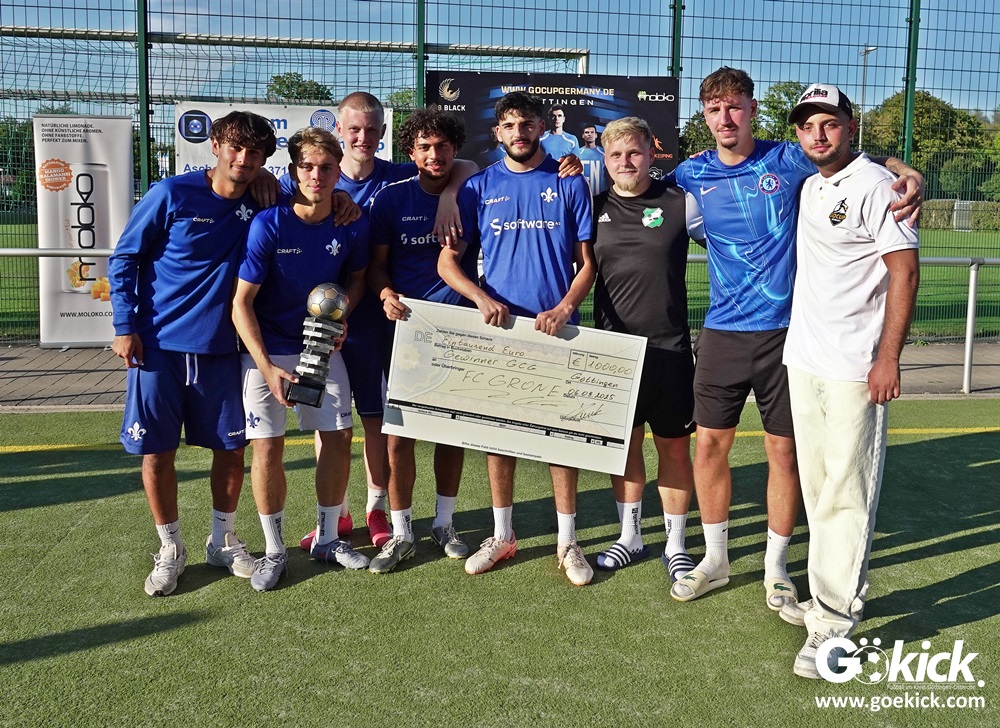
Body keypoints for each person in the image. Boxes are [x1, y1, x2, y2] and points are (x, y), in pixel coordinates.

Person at [668, 67, 923, 609]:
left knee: (785, 452)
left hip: (787, 335)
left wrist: (906, 170)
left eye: (735, 106)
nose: (725, 118)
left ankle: (776, 567)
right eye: (714, 109)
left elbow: (854, 163)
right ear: (705, 116)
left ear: (752, 109)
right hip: (722, 331)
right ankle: (715, 559)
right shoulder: (692, 172)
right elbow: (631, 182)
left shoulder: (787, 158)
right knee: (709, 445)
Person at [281, 92, 478, 552]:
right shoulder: (312, 180)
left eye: (371, 129)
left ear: (384, 133)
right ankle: (336, 513)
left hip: (379, 321)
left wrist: (450, 194)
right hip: (321, 323)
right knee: (327, 421)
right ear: (339, 132)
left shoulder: (397, 176)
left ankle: (377, 509)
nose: (363, 137)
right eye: (354, 129)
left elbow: (464, 164)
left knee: (378, 420)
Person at [777, 84, 919, 678]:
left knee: (848, 492)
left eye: (829, 123)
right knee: (818, 489)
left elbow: (904, 272)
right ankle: (824, 597)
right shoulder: (811, 182)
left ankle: (834, 622)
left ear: (849, 126)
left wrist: (888, 358)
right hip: (805, 358)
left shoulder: (878, 188)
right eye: (807, 124)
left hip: (856, 367)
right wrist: (902, 163)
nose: (818, 134)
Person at [108, 111, 277, 596]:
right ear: (215, 146)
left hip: (222, 349)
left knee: (231, 450)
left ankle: (222, 540)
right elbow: (124, 258)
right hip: (157, 346)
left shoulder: (265, 198)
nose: (243, 159)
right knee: (157, 452)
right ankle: (170, 548)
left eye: (254, 153)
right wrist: (124, 326)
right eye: (235, 148)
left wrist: (342, 200)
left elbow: (315, 197)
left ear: (265, 159)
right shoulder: (171, 193)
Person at [438, 91, 597, 586]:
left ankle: (567, 540)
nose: (519, 133)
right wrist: (479, 298)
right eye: (509, 125)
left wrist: (565, 307)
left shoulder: (569, 181)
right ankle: (502, 534)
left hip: (557, 329)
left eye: (527, 124)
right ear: (498, 133)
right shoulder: (478, 187)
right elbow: (447, 263)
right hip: (501, 332)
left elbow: (587, 263)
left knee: (561, 438)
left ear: (541, 128)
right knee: (498, 436)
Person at [233, 127, 371, 591]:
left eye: (326, 167)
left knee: (338, 436)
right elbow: (241, 303)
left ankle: (328, 539)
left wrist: (342, 315)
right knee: (267, 446)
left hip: (320, 346)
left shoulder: (352, 222)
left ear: (338, 171)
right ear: (293, 171)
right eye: (307, 167)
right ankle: (274, 550)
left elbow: (358, 278)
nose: (316, 176)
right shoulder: (269, 223)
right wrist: (266, 366)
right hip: (268, 351)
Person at [366, 109, 479, 573]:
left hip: (459, 330)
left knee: (451, 432)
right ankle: (402, 531)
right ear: (410, 153)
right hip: (406, 333)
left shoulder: (473, 191)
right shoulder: (391, 198)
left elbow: (480, 169)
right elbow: (376, 266)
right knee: (400, 437)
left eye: (443, 146)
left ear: (455, 149)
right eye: (425, 147)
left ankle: (444, 523)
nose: (435, 155)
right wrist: (384, 293)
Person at [590, 117, 698, 579]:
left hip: (670, 352)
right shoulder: (592, 207)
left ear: (651, 153)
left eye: (634, 152)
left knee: (673, 449)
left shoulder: (680, 202)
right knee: (625, 448)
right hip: (615, 354)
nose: (625, 162)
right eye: (616, 155)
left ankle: (676, 543)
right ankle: (629, 537)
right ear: (605, 160)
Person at [578, 124, 609, 195]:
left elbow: (609, 175)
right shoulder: (577, 153)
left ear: (596, 135)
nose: (589, 134)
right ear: (583, 135)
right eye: (587, 132)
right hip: (583, 194)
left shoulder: (604, 153)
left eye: (592, 132)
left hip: (601, 195)